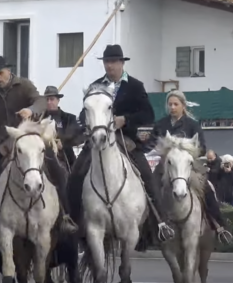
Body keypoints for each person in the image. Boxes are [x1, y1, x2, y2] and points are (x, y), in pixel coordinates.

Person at [69, 45, 165, 247]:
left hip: (126, 139)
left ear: (122, 63)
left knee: (146, 175)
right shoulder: (95, 87)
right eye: (107, 62)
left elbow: (147, 115)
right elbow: (83, 113)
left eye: (114, 61)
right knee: (76, 173)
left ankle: (160, 223)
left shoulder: (135, 86)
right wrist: (89, 123)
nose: (110, 65)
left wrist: (125, 119)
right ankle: (72, 220)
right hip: (98, 138)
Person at [0, 56, 75, 233]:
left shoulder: (24, 86)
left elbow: (40, 101)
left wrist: (30, 110)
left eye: (0, 73)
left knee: (58, 170)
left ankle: (65, 215)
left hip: (32, 139)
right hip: (5, 146)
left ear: (9, 71)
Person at [148, 90, 232, 242]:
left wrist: (187, 149)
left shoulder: (192, 125)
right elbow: (150, 145)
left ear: (183, 105)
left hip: (188, 165)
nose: (172, 107)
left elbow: (203, 148)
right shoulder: (160, 124)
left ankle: (220, 226)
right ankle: (148, 233)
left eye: (176, 104)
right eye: (170, 104)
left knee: (206, 188)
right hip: (166, 166)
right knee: (150, 188)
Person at [44, 86, 85, 170]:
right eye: (47, 100)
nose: (49, 102)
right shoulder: (39, 118)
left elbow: (79, 137)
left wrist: (64, 144)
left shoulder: (69, 118)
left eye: (51, 99)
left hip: (64, 157)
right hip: (43, 156)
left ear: (58, 100)